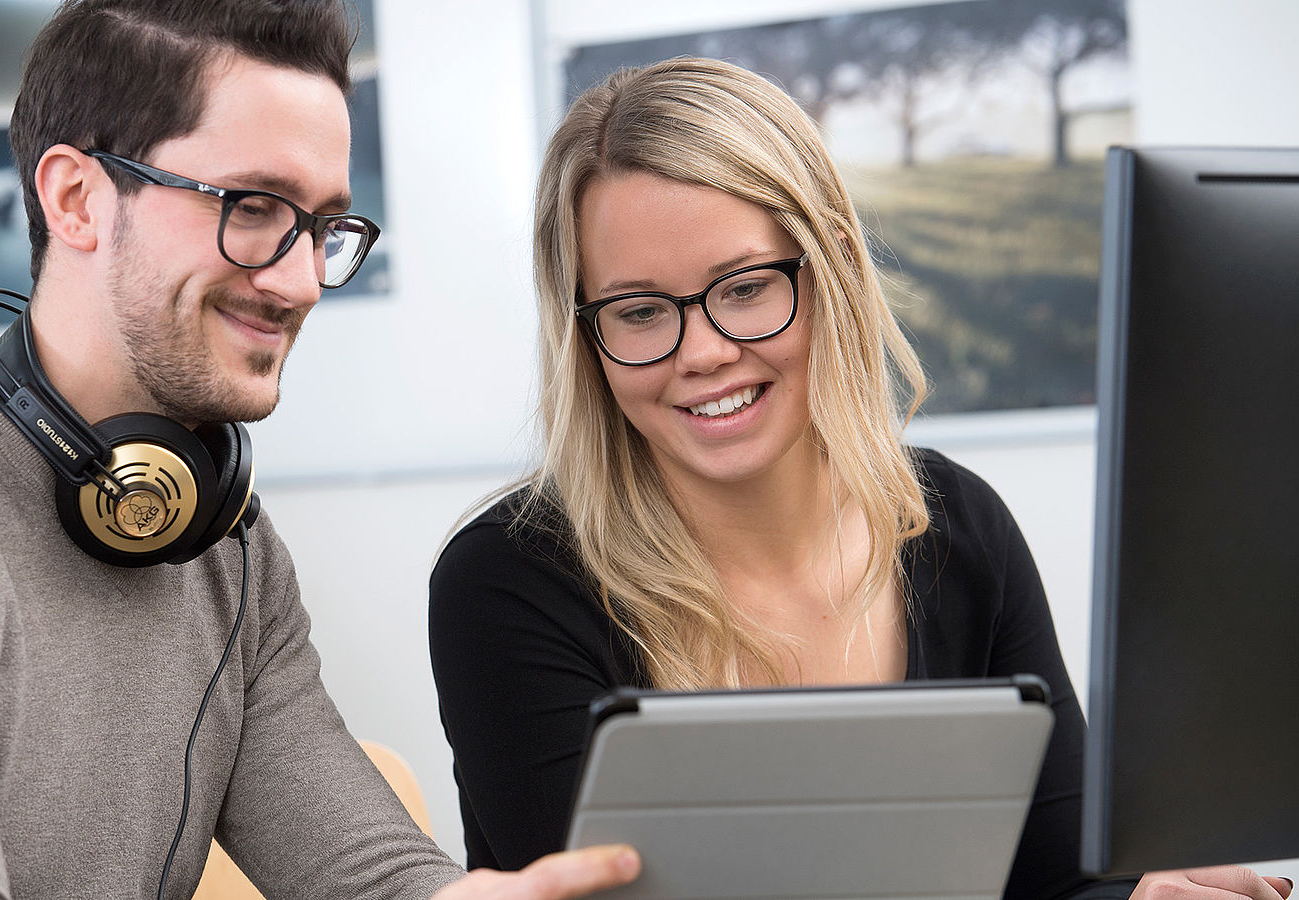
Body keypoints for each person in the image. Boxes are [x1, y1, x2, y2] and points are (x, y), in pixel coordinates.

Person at [0, 2, 639, 898]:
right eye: (256, 206)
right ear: (77, 199)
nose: (304, 280)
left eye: (320, 227)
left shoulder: (221, 544)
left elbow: (369, 876)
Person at [428, 56, 1292, 900]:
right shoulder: (510, 585)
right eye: (641, 311)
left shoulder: (958, 526)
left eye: (745, 287)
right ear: (585, 332)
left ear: (833, 267)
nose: (701, 353)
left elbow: (1061, 878)